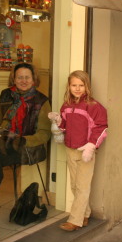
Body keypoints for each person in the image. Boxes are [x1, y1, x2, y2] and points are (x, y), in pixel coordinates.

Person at [0, 63, 51, 221]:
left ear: (34, 80)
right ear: (14, 78)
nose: (23, 80)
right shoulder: (6, 94)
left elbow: (44, 134)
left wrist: (23, 140)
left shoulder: (41, 101)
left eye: (27, 77)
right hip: (4, 141)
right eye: (20, 77)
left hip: (24, 146)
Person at [48, 70, 108, 231]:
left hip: (86, 151)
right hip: (70, 149)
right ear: (69, 86)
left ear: (87, 86)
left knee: (82, 186)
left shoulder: (94, 107)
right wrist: (58, 119)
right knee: (75, 186)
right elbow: (64, 126)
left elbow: (101, 128)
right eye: (74, 85)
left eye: (81, 85)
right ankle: (85, 215)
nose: (77, 88)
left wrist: (90, 146)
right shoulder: (67, 105)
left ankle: (74, 220)